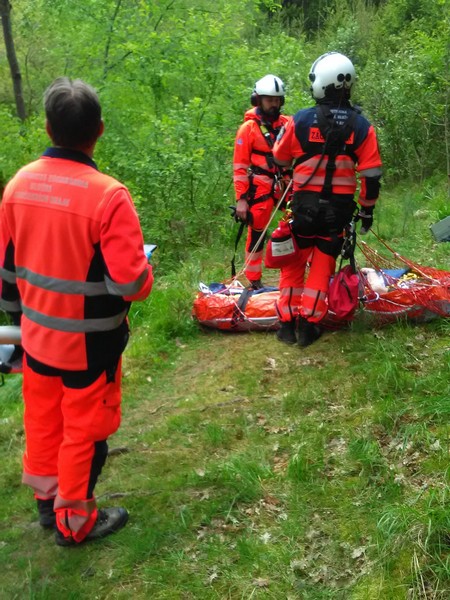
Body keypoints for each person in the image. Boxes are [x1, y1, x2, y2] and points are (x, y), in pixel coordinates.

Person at [0, 77, 153, 546]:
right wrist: (145, 267)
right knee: (84, 431)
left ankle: (48, 507)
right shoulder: (109, 196)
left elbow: (6, 273)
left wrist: (15, 329)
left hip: (35, 338)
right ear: (99, 129)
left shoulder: (17, 186)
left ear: (48, 128)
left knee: (44, 423)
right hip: (91, 343)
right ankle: (75, 522)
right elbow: (131, 284)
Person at [272, 52, 382, 346]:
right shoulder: (362, 126)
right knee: (323, 263)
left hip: (303, 208)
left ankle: (286, 325)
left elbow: (280, 157)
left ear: (321, 81)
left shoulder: (300, 120)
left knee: (294, 263)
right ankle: (309, 325)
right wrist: (367, 211)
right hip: (338, 212)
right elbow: (371, 176)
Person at [233, 74, 290, 289]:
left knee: (299, 223)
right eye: (269, 100)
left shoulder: (288, 124)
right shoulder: (248, 129)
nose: (274, 104)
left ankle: (293, 272)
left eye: (277, 100)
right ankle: (254, 279)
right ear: (258, 100)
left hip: (285, 183)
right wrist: (241, 199)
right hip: (260, 184)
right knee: (257, 230)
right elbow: (239, 167)